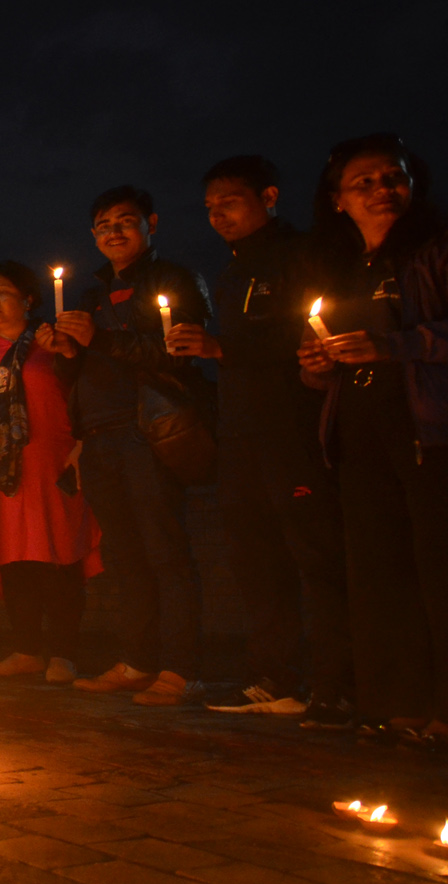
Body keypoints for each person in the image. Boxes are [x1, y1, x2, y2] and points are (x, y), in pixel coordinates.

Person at [186, 157, 350, 719]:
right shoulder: (231, 274)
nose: (217, 216)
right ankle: (272, 677)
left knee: (316, 556)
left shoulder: (303, 257)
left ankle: (335, 683)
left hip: (293, 430)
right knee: (255, 559)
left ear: (269, 196)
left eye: (229, 202)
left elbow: (310, 337)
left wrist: (223, 348)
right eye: (209, 208)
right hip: (242, 435)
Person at [297, 134, 448, 744]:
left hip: (428, 431)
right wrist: (315, 366)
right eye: (366, 182)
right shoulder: (344, 269)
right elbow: (320, 369)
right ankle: (400, 701)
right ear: (337, 199)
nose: (384, 190)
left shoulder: (433, 254)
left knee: (437, 571)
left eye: (395, 178)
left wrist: (395, 346)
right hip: (360, 432)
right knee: (379, 572)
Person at [43, 186, 213, 707]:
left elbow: (177, 354)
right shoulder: (92, 295)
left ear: (150, 225)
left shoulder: (172, 280)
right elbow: (84, 371)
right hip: (100, 435)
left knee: (165, 550)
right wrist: (66, 351)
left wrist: (100, 340)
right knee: (126, 555)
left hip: (148, 429)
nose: (114, 232)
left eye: (125, 221)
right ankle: (138, 660)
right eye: (103, 226)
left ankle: (182, 668)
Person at [0, 263, 100, 683]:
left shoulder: (52, 343)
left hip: (52, 465)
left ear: (29, 299)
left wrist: (81, 446)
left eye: (3, 292)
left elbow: (82, 396)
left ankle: (63, 654)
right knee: (13, 560)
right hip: (4, 473)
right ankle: (26, 649)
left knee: (58, 556)